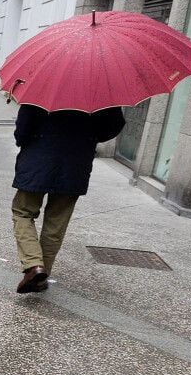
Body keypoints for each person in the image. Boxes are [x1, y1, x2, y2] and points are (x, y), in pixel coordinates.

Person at [12, 105, 125, 293]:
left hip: (37, 160)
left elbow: (22, 130)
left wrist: (25, 139)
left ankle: (34, 265)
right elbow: (114, 125)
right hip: (75, 164)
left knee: (22, 212)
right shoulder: (100, 89)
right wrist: (88, 138)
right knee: (56, 223)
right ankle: (41, 276)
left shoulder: (43, 82)